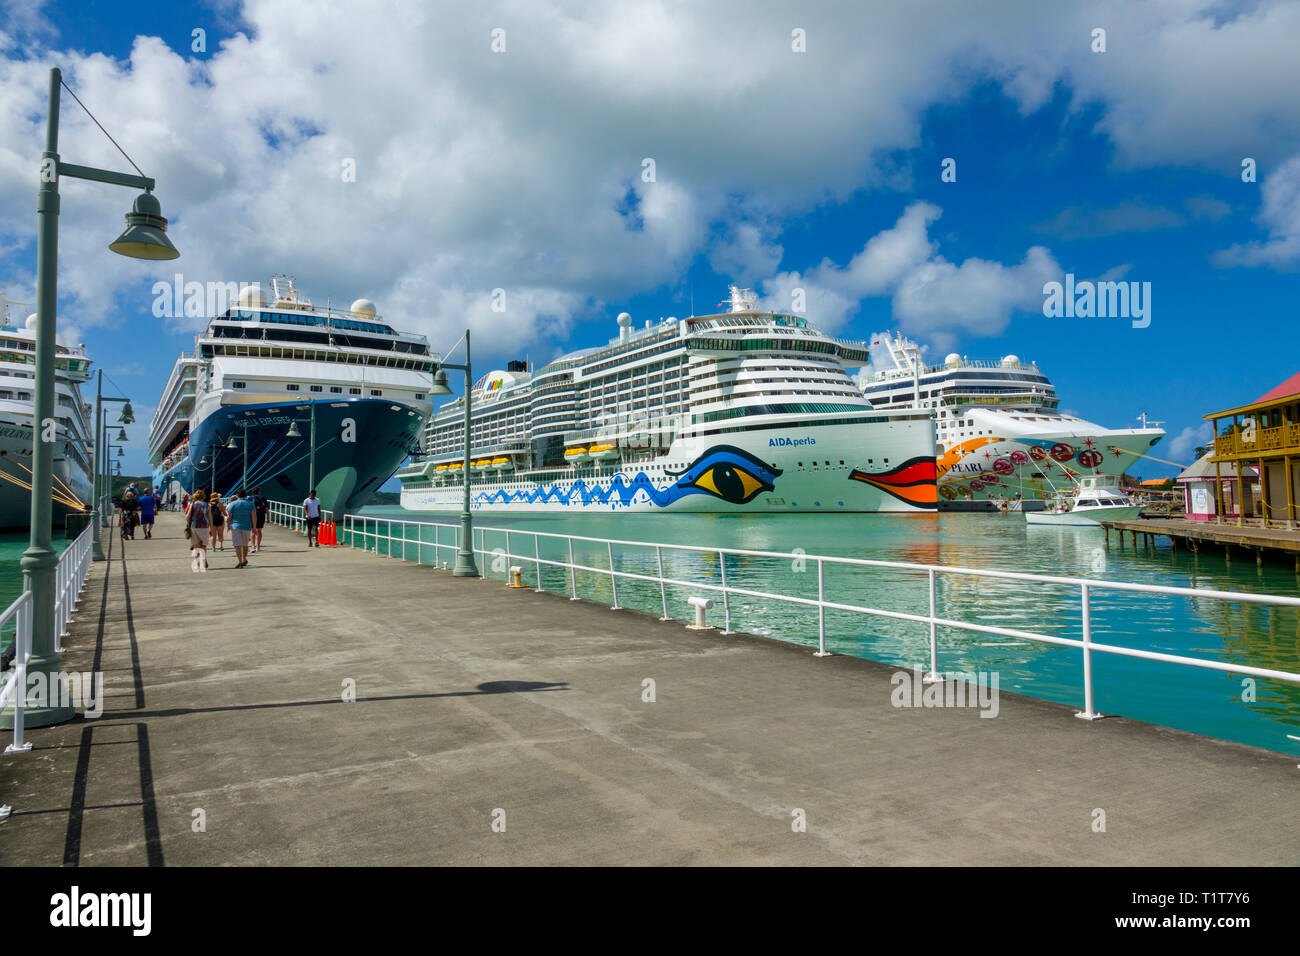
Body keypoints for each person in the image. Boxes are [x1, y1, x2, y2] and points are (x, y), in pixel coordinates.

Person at [225, 488, 257, 569]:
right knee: (245, 544)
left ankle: (240, 562)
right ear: (246, 495)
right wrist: (254, 527)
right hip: (247, 526)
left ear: (237, 495)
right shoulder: (250, 503)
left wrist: (228, 525)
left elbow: (229, 517)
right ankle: (244, 559)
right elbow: (254, 516)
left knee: (237, 545)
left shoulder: (233, 504)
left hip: (235, 526)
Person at [186, 488, 211, 572]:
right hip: (205, 527)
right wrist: (211, 528)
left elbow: (187, 517)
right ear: (203, 497)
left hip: (195, 527)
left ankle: (198, 564)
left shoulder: (192, 504)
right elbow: (210, 518)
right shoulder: (207, 505)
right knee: (203, 546)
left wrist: (190, 523)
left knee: (196, 547)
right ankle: (203, 561)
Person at [251, 486, 269, 553]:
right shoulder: (263, 497)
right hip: (261, 515)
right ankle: (258, 546)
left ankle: (253, 547)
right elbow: (266, 508)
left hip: (253, 515)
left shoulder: (250, 498)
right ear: (259, 492)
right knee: (259, 530)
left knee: (252, 531)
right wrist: (268, 517)